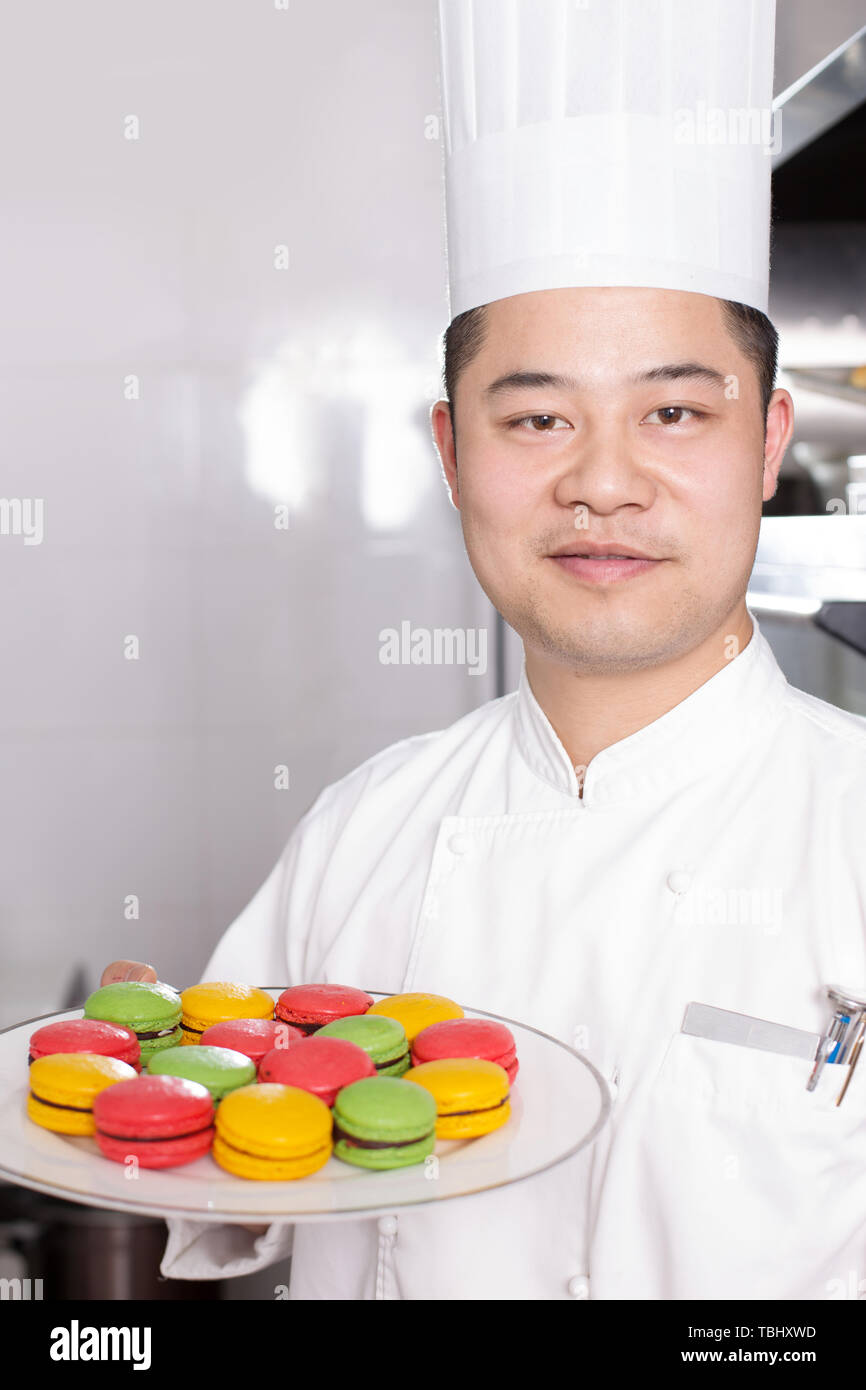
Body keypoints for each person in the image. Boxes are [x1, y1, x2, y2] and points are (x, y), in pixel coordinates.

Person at [102, 0, 866, 1297]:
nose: (602, 484)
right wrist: (167, 1094)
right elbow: (231, 1204)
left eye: (673, 410)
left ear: (764, 438)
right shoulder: (363, 829)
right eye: (534, 421)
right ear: (452, 455)